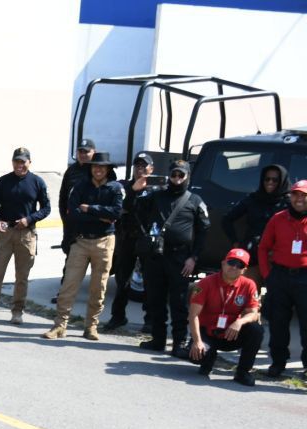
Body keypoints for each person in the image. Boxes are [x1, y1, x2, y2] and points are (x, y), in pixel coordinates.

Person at [44, 151, 123, 341]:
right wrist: (101, 217)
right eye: (95, 166)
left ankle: (91, 327)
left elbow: (116, 213)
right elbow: (73, 213)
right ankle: (60, 325)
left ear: (108, 169)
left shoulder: (115, 188)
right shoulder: (80, 186)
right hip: (80, 241)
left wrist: (90, 209)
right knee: (69, 285)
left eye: (102, 167)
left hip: (104, 242)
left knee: (98, 288)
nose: (98, 170)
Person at [136, 160, 209, 358]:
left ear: (187, 176)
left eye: (180, 175)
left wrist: (193, 258)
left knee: (178, 302)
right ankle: (158, 340)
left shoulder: (195, 200)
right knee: (155, 300)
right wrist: (137, 190)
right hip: (156, 255)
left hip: (181, 258)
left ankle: (179, 343)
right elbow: (135, 209)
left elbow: (203, 232)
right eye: (174, 175)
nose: (176, 179)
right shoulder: (156, 195)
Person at [0, 147, 52, 325]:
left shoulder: (37, 182)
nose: (19, 165)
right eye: (16, 161)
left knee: (22, 277)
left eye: (23, 162)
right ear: (12, 162)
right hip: (5, 233)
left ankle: (17, 311)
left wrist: (29, 219)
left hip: (26, 234)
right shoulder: (3, 181)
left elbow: (46, 208)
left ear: (29, 162)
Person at [188, 248, 262, 386]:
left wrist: (239, 322)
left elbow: (253, 313)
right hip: (208, 333)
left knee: (256, 330)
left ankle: (243, 372)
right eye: (231, 262)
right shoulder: (205, 283)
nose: (234, 267)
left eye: (239, 265)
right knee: (196, 356)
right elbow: (193, 315)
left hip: (231, 334)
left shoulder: (249, 285)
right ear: (223, 263)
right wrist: (197, 341)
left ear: (244, 270)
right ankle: (208, 358)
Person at [257, 179, 307, 379]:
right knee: (278, 323)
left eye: (304, 195)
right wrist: (267, 275)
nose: (299, 199)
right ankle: (278, 362)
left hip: (305, 277)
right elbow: (263, 248)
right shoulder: (278, 219)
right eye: (295, 194)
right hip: (280, 276)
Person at [105, 152, 154, 331]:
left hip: (147, 240)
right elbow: (119, 208)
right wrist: (133, 190)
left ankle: (150, 320)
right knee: (123, 280)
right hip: (127, 239)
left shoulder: (156, 189)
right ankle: (118, 316)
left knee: (150, 281)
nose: (140, 169)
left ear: (151, 169)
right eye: (137, 166)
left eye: (144, 166)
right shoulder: (124, 186)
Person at [221, 164, 289, 285]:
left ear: (282, 182)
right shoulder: (253, 199)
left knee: (276, 292)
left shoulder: (288, 203)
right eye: (267, 179)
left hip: (275, 257)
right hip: (252, 255)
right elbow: (227, 219)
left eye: (275, 180)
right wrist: (235, 242)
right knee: (247, 290)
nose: (270, 182)